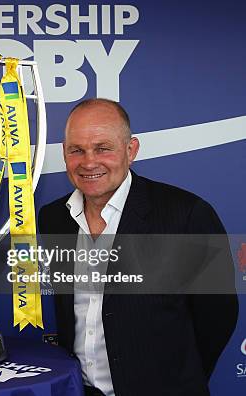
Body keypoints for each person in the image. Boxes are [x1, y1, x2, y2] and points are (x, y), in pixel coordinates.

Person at [38, 98, 238, 396]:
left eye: (103, 148)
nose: (89, 162)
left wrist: (177, 380)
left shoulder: (186, 214)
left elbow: (218, 316)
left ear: (131, 150)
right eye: (76, 150)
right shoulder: (54, 217)